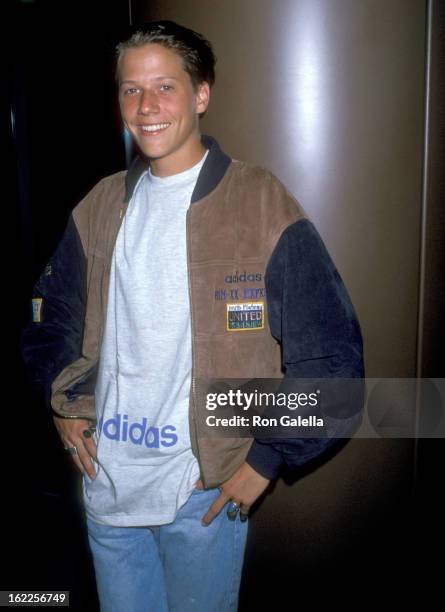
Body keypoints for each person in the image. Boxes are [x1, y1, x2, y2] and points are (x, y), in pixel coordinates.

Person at [22, 20, 364, 612]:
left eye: (165, 87)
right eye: (131, 89)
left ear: (201, 93)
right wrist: (65, 405)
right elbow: (48, 319)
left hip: (198, 497)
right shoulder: (101, 203)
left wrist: (266, 458)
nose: (146, 106)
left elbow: (334, 363)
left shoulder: (260, 202)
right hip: (108, 491)